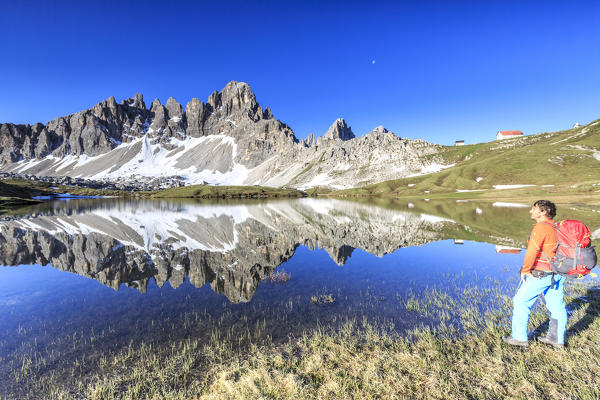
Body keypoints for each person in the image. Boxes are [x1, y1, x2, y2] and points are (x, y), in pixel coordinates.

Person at [502, 200, 566, 348]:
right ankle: (556, 339)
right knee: (557, 306)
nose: (531, 211)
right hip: (558, 272)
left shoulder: (541, 227)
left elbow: (532, 251)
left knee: (520, 301)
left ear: (543, 212)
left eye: (534, 209)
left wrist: (525, 270)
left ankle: (519, 339)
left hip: (542, 273)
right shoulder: (556, 226)